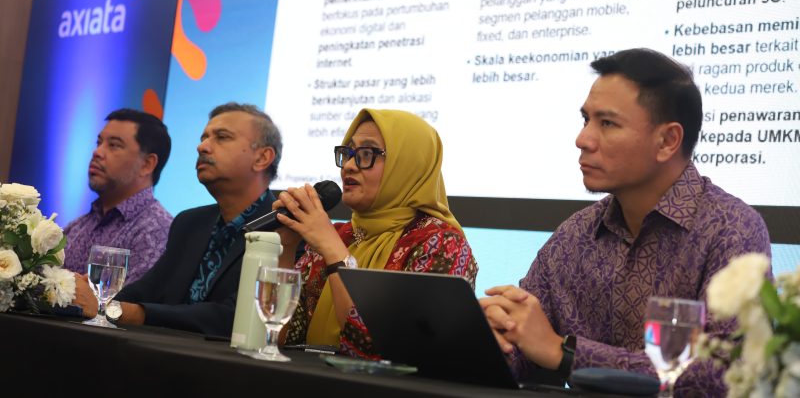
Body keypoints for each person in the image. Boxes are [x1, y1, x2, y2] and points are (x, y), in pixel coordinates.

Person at [479, 48, 771, 395]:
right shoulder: (576, 235)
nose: (583, 140)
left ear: (667, 141)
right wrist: (495, 336)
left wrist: (565, 353)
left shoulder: (730, 230)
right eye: (585, 120)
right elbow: (527, 349)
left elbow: (726, 374)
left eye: (607, 123)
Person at [272, 108, 478, 356]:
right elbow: (279, 336)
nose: (349, 166)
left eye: (367, 154)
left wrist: (333, 252)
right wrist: (286, 248)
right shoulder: (339, 236)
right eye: (348, 153)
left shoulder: (442, 244)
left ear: (407, 165)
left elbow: (390, 349)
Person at [71, 102, 282, 337]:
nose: (202, 146)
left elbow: (236, 316)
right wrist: (93, 297)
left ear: (262, 158)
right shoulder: (190, 223)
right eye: (204, 138)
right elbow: (146, 291)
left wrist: (120, 311)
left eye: (222, 137)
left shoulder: (284, 230)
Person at [64, 108, 172, 283]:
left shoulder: (156, 232)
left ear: (147, 164)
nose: (97, 152)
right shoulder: (76, 227)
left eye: (114, 145)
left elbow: (131, 300)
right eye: (99, 142)